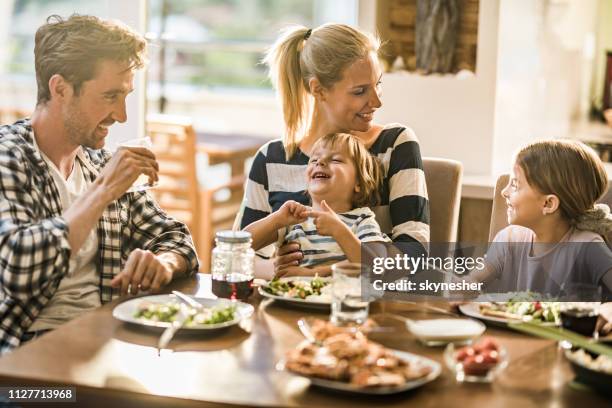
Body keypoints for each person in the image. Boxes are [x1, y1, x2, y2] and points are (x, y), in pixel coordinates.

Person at [0, 15, 199, 354]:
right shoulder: (9, 157)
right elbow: (17, 270)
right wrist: (103, 190)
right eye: (109, 96)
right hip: (26, 360)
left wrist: (162, 263)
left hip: (107, 338)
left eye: (125, 96)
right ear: (59, 88)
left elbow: (176, 239)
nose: (121, 115)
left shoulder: (101, 163)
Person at [238, 24, 429, 276]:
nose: (377, 101)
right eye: (360, 91)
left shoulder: (395, 145)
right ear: (318, 89)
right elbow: (236, 254)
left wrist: (322, 271)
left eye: (377, 84)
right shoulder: (271, 159)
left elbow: (416, 257)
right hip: (288, 305)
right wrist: (275, 268)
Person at [471, 140, 612, 298]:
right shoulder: (508, 239)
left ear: (548, 203)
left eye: (515, 185)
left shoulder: (587, 246)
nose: (504, 192)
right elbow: (473, 280)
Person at [245, 133, 390, 275]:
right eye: (314, 160)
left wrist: (339, 231)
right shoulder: (294, 219)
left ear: (358, 182)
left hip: (341, 298)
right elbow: (241, 245)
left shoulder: (362, 219)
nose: (320, 163)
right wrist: (276, 219)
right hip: (292, 298)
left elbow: (378, 266)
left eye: (336, 160)